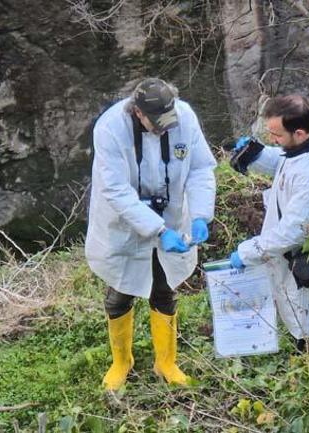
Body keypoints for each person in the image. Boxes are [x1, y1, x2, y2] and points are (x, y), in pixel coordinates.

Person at [85, 78, 216, 389]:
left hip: (172, 218)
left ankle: (166, 362)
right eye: (158, 124)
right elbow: (116, 190)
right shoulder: (110, 129)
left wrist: (200, 214)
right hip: (124, 225)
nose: (165, 129)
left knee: (165, 288)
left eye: (169, 122)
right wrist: (156, 229)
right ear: (139, 113)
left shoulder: (184, 117)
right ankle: (122, 361)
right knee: (120, 292)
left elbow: (200, 168)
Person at [227, 95, 309, 348]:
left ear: (299, 132)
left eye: (276, 135)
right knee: (298, 313)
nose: (272, 140)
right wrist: (257, 155)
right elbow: (289, 161)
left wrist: (248, 252)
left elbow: (292, 232)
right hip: (293, 256)